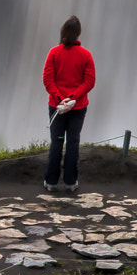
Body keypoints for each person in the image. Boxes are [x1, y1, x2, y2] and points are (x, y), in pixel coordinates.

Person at [42, 15, 96, 192]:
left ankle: (50, 182)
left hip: (57, 108)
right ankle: (71, 183)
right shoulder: (86, 55)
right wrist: (73, 98)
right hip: (77, 108)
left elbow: (48, 79)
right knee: (72, 142)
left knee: (57, 141)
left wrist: (60, 98)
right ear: (78, 34)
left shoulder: (54, 53)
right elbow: (89, 81)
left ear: (63, 32)